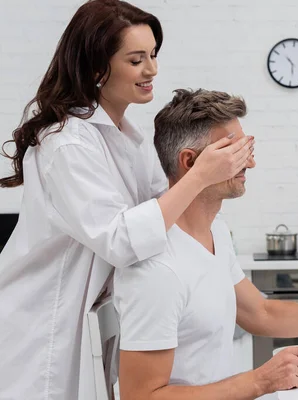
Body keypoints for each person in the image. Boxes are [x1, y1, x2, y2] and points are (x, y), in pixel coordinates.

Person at [0, 1, 253, 399]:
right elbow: (120, 241)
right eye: (136, 60)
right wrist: (203, 172)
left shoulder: (128, 136)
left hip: (86, 314)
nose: (151, 70)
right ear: (98, 68)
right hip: (41, 321)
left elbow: (166, 204)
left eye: (153, 55)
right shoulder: (66, 143)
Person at [114, 88, 298, 399]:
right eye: (234, 152)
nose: (251, 163)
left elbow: (261, 313)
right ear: (190, 162)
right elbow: (140, 397)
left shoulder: (213, 231)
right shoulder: (157, 268)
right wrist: (259, 381)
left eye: (247, 149)